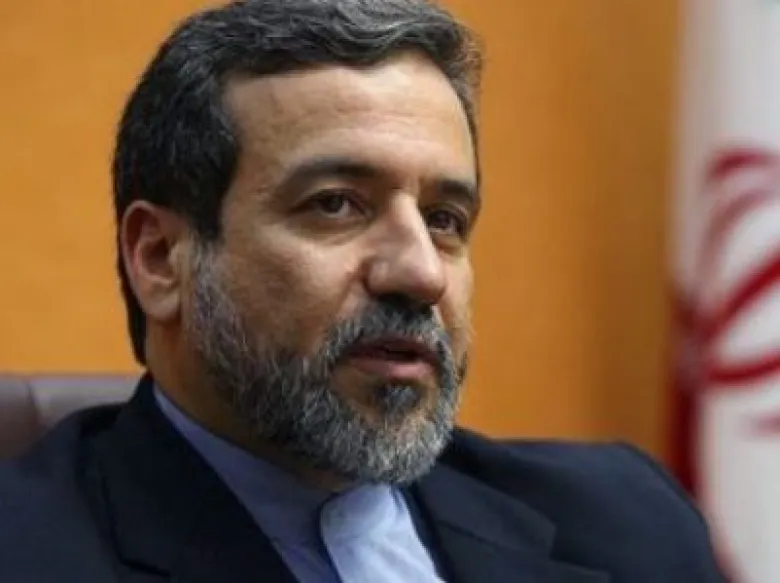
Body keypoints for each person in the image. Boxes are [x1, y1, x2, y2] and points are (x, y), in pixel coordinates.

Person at [0, 1, 726, 581]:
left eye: (444, 219)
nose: (422, 273)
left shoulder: (626, 521)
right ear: (160, 259)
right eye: (336, 204)